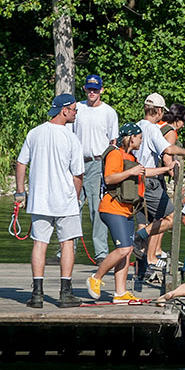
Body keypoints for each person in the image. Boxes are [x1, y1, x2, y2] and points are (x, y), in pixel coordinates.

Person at [86, 123, 173, 303]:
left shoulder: (131, 157)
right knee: (123, 248)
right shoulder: (115, 154)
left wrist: (165, 170)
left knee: (128, 251)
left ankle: (120, 293)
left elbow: (144, 172)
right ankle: (96, 278)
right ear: (131, 137)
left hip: (126, 210)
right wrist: (130, 171)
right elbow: (109, 178)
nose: (141, 141)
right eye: (140, 137)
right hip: (112, 209)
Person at [15, 93, 85, 308]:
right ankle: (65, 294)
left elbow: (20, 163)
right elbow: (78, 175)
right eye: (74, 109)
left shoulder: (34, 133)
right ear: (64, 110)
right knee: (67, 244)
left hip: (40, 200)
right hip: (64, 200)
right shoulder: (71, 138)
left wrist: (20, 192)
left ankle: (37, 294)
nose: (75, 113)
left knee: (39, 244)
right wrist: (75, 197)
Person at [131, 93, 185, 272]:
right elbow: (167, 150)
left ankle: (142, 268)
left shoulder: (136, 126)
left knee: (144, 221)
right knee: (172, 218)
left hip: (133, 181)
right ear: (159, 111)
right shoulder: (153, 129)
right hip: (150, 180)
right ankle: (139, 238)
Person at [69, 74, 118, 261]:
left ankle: (101, 253)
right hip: (77, 163)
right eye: (89, 89)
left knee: (97, 209)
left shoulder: (109, 112)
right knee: (72, 206)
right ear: (84, 89)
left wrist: (110, 166)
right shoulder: (78, 109)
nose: (92, 92)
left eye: (95, 89)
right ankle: (67, 249)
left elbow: (113, 141)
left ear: (101, 90)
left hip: (98, 162)